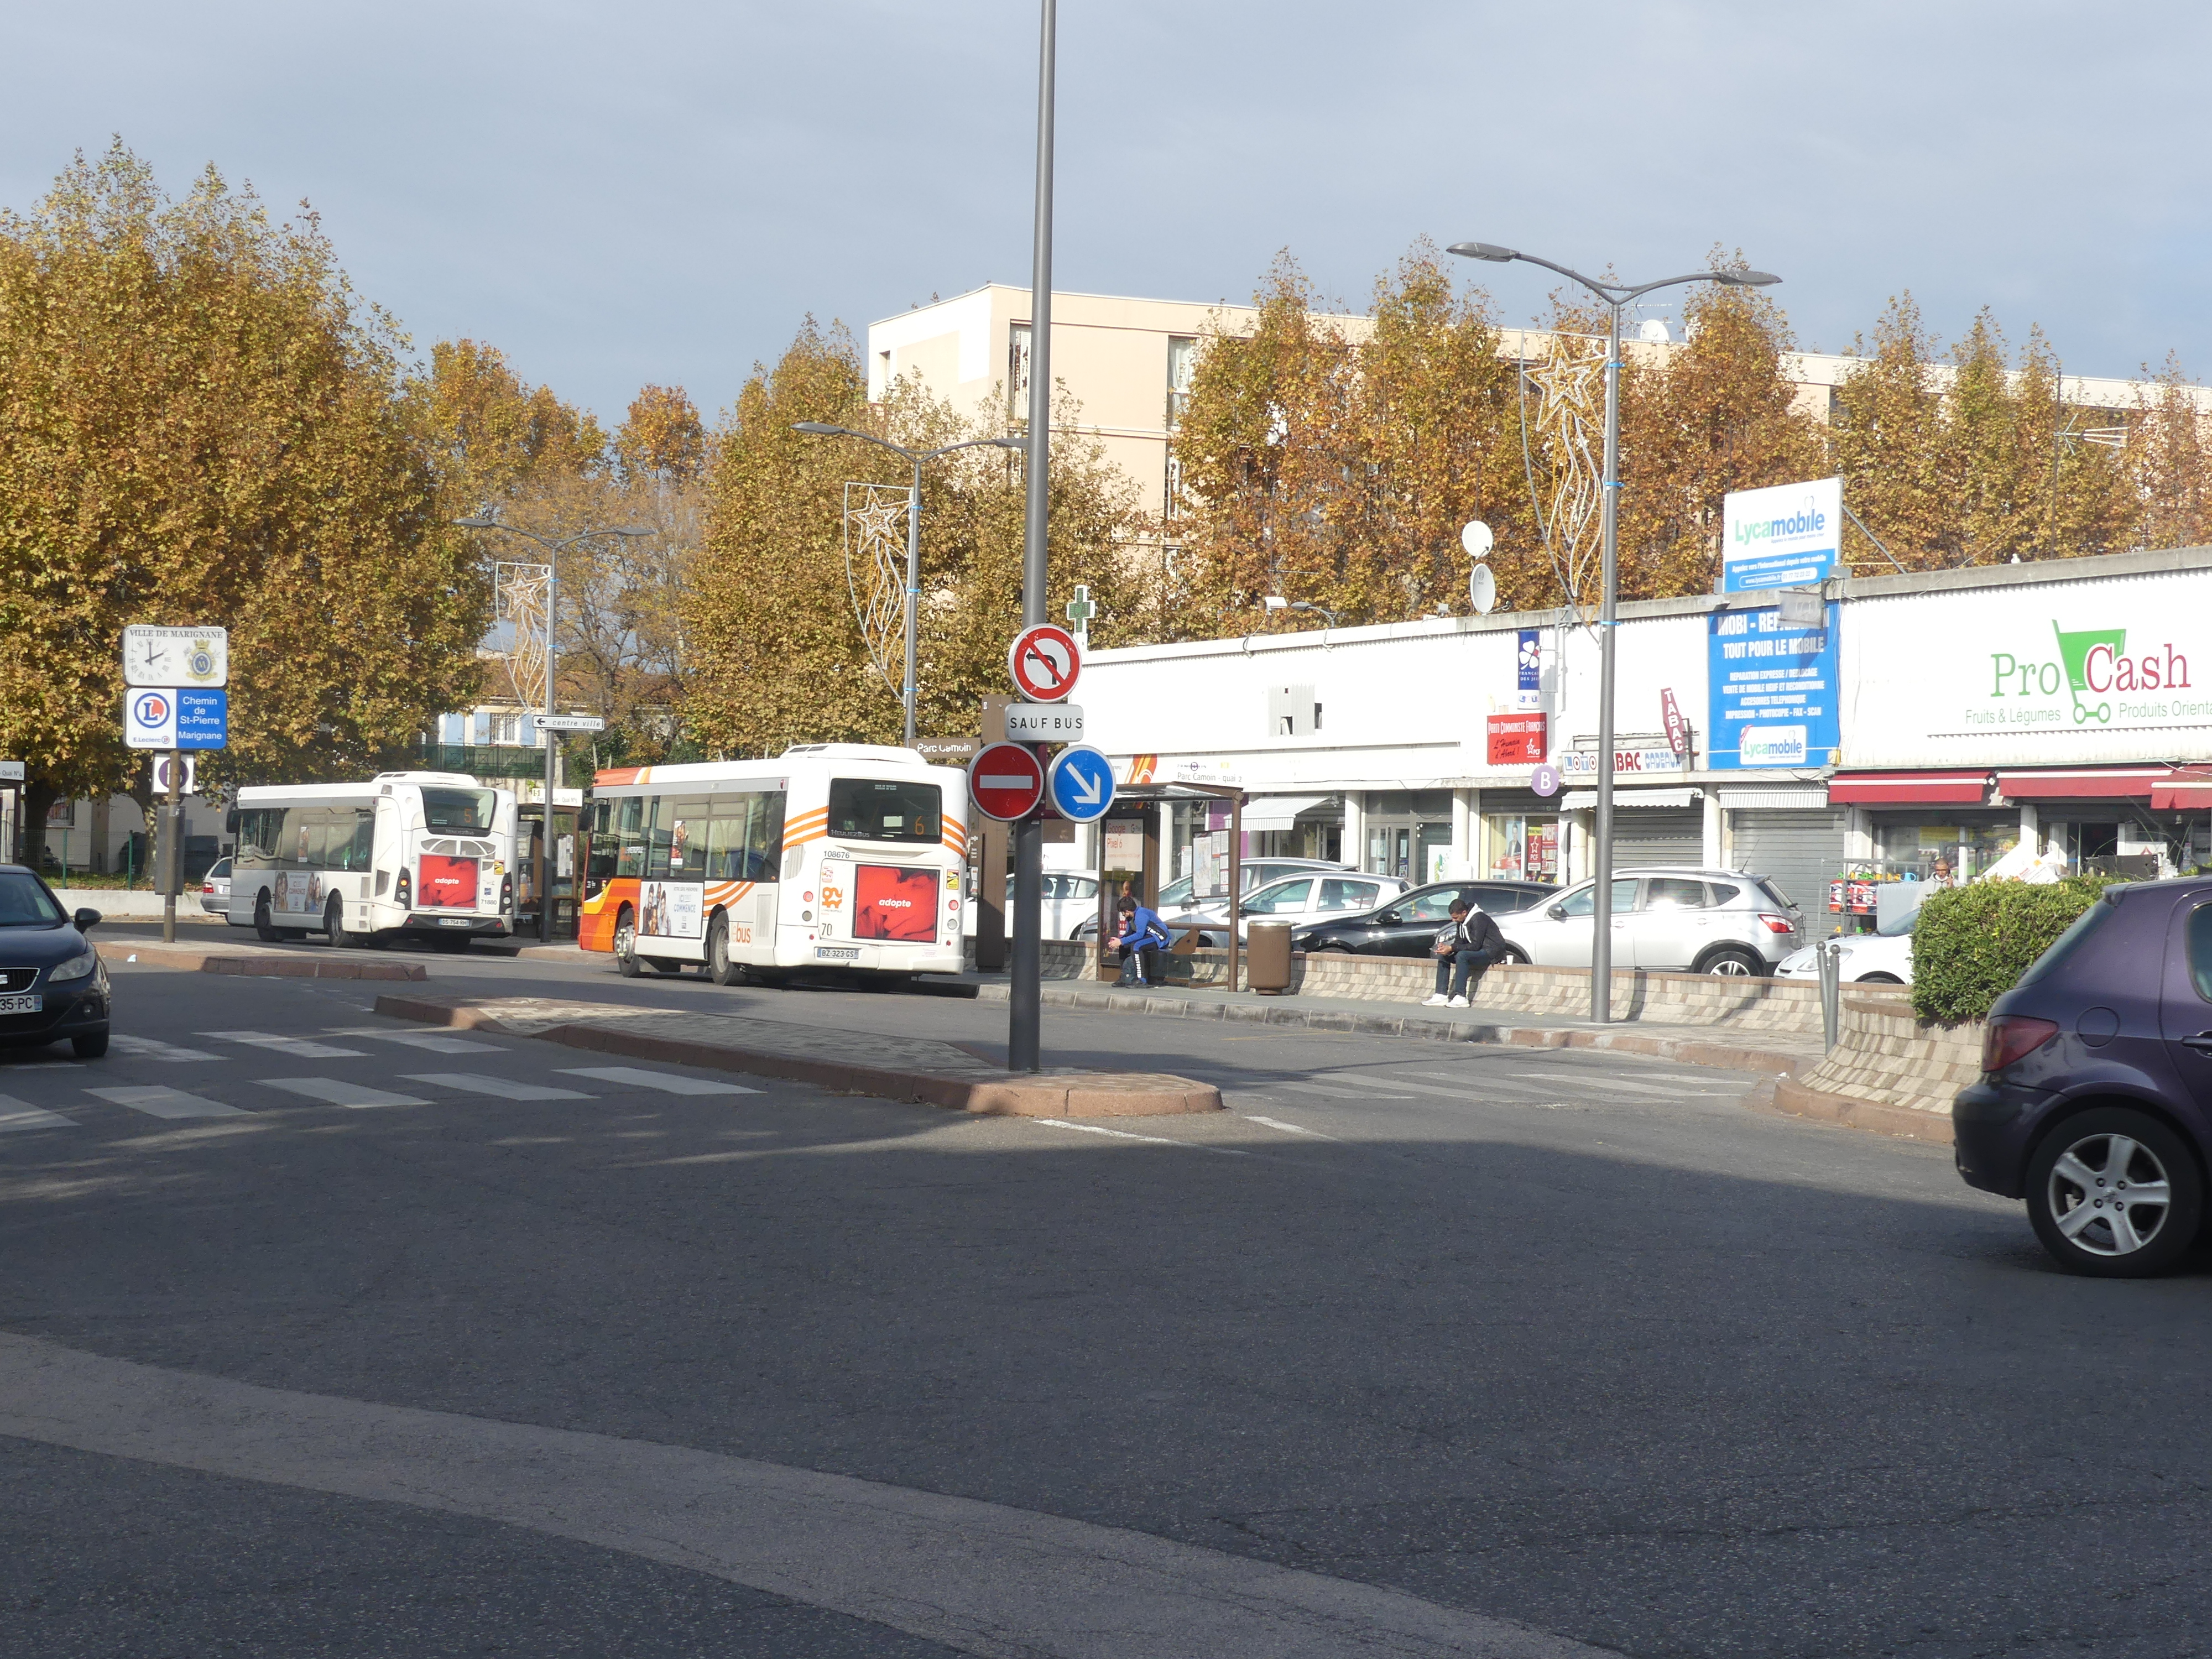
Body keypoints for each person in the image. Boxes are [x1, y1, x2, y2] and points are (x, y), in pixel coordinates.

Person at [1423, 896, 1505, 1008]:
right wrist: (1447, 948)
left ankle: (1461, 997)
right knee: (1444, 956)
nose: (1454, 920)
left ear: (1464, 913)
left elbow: (1475, 945)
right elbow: (1459, 941)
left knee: (1462, 956)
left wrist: (1452, 948)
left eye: (1455, 917)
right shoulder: (1461, 921)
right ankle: (1440, 995)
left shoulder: (1478, 919)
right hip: (1477, 950)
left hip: (1490, 951)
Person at [1113, 893, 1170, 986]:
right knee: (1124, 946)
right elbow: (1129, 933)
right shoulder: (1131, 918)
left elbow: (1140, 934)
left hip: (1158, 937)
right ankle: (1125, 977)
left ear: (1127, 911)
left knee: (1137, 946)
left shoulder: (1141, 915)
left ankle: (1142, 980)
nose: (1123, 915)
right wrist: (1119, 941)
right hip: (1147, 936)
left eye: (1122, 912)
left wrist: (1121, 941)